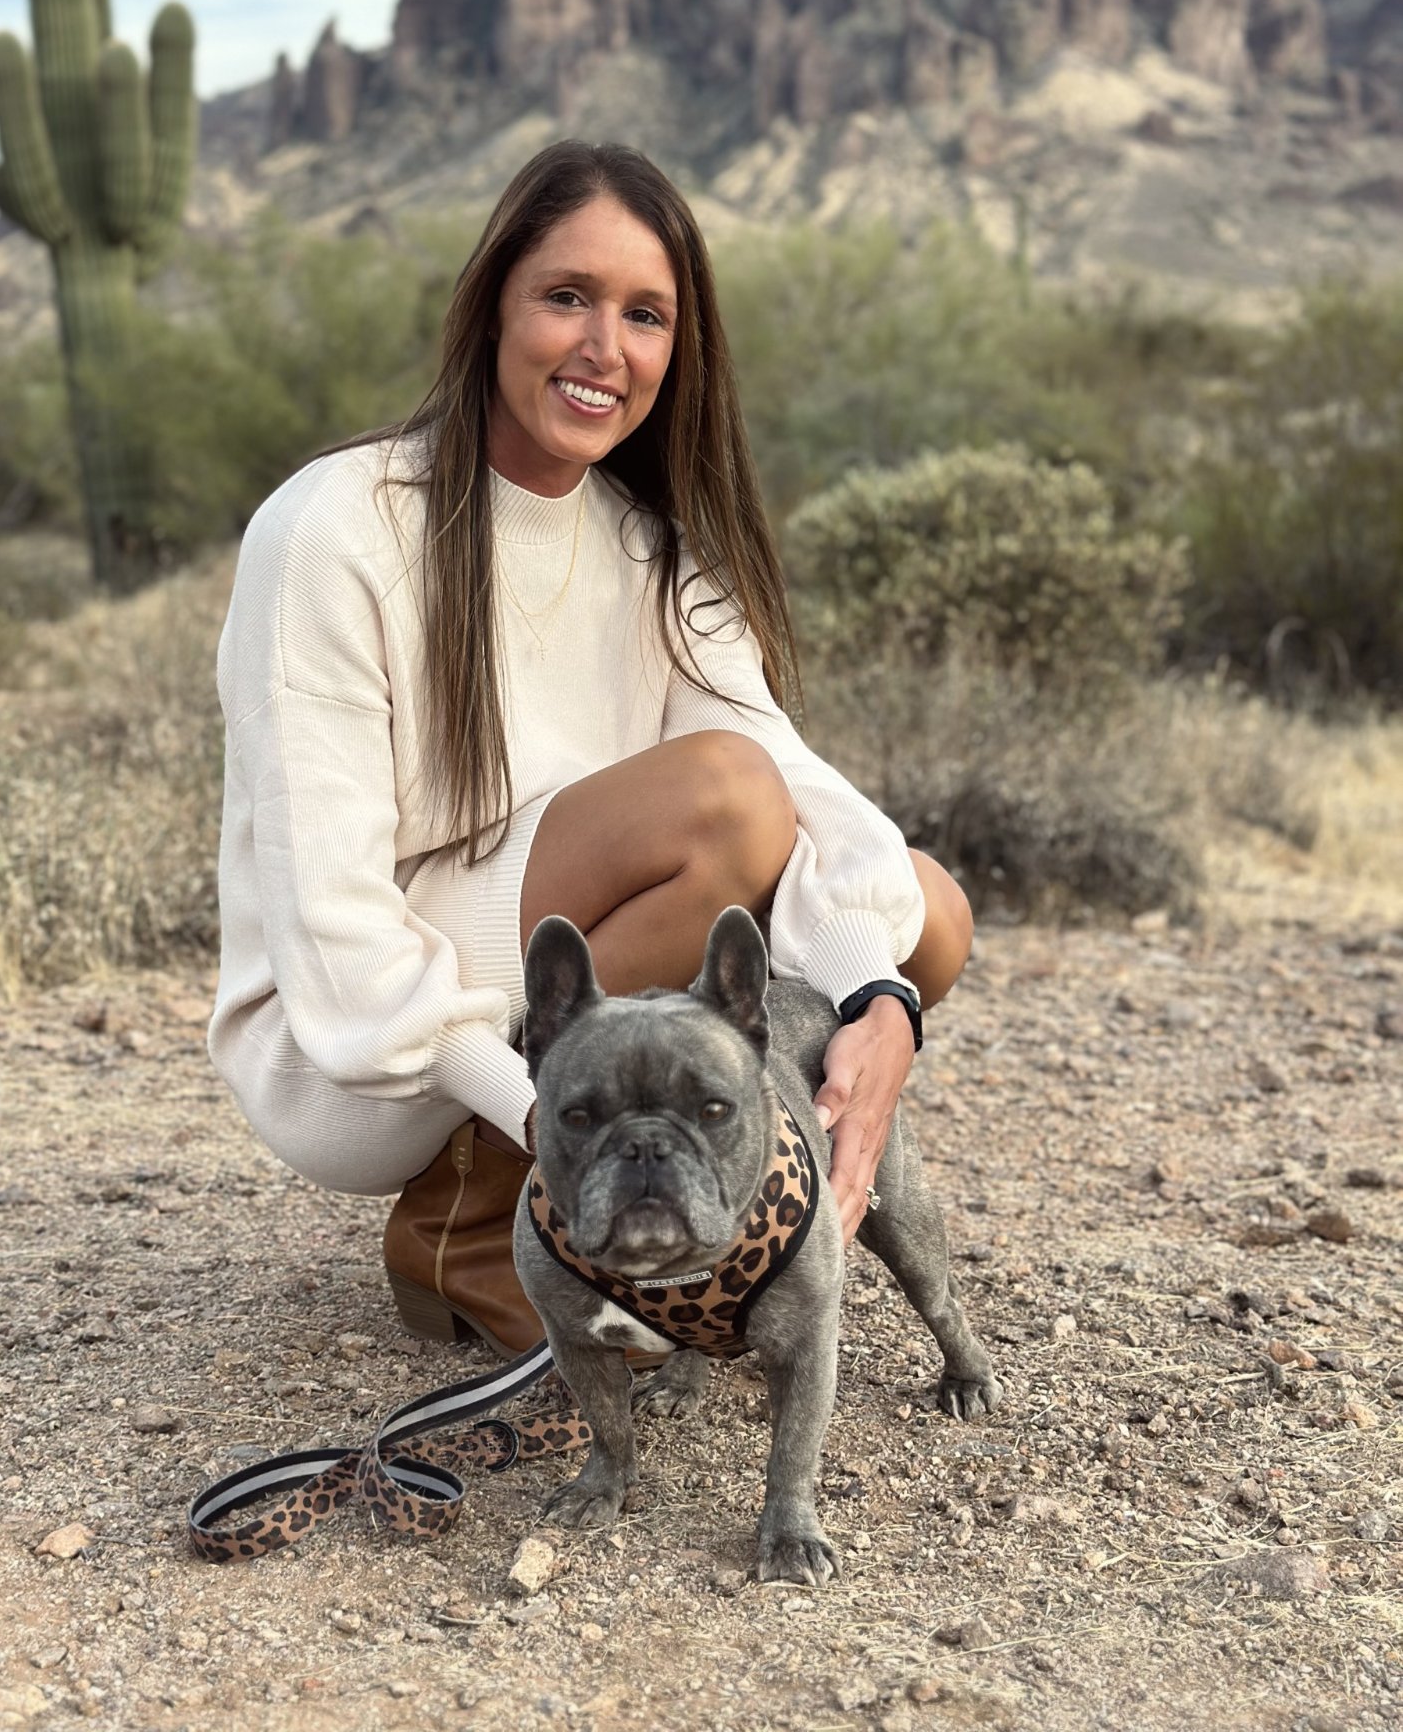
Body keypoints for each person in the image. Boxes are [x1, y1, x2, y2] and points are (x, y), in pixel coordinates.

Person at [207, 140, 973, 1358]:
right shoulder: (335, 529)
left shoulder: (655, 554)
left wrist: (883, 1010)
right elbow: (337, 929)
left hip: (539, 978)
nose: (604, 348)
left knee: (923, 911)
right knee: (727, 801)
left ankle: (658, 1212)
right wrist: (560, 1144)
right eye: (567, 296)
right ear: (493, 305)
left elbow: (824, 808)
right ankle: (482, 1214)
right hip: (354, 1041)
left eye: (646, 314)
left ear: (682, 349)